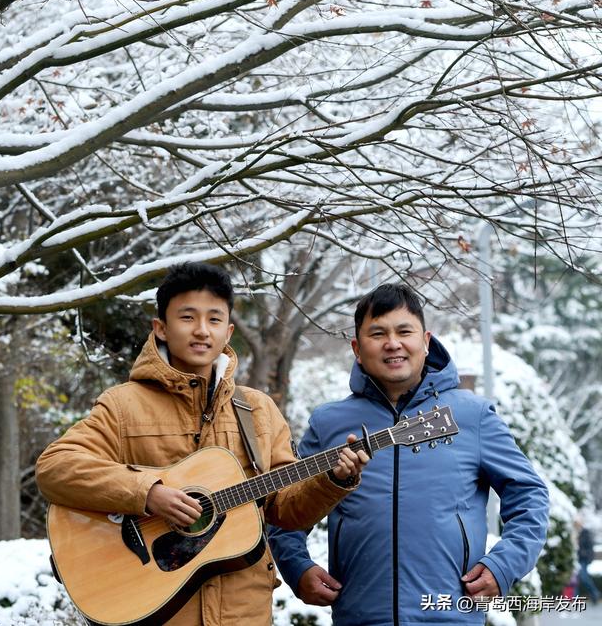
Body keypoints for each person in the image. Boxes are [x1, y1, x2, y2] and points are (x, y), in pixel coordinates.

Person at [36, 261, 368, 626]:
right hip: (155, 610)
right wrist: (148, 492)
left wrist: (333, 481)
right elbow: (55, 466)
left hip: (243, 613)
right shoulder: (123, 405)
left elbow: (286, 511)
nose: (201, 331)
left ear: (228, 331)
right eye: (187, 317)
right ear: (161, 328)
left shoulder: (258, 410)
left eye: (213, 319)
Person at [268, 282, 550, 625]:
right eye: (378, 333)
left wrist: (503, 565)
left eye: (405, 331)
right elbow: (284, 508)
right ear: (357, 348)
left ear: (426, 341)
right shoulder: (328, 423)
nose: (393, 344)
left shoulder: (472, 415)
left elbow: (530, 495)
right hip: (360, 615)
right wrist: (298, 568)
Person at [576, 519, 600, 604]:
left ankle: (595, 593)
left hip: (584, 558)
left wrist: (583, 553)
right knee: (578, 577)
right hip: (578, 559)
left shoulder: (585, 532)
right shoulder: (577, 533)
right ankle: (576, 597)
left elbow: (589, 546)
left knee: (584, 577)